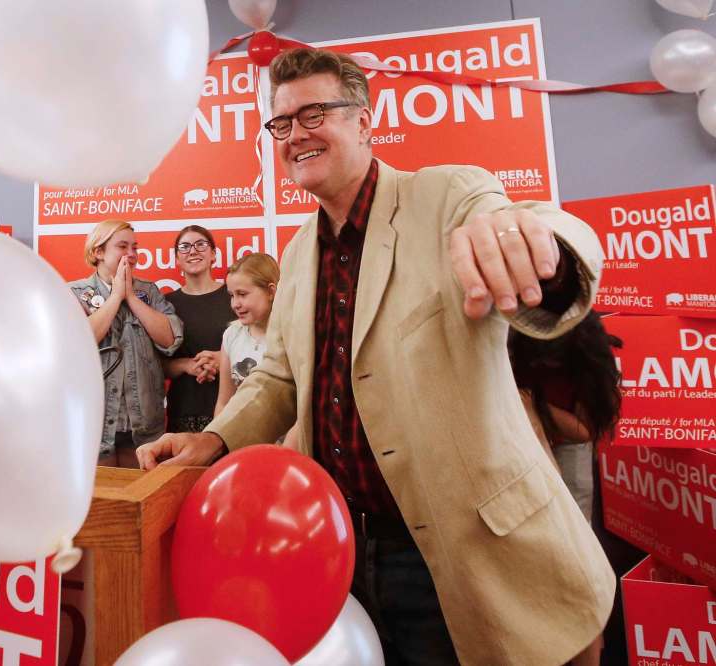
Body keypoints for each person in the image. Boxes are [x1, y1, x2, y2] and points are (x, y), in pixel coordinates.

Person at [137, 47, 614, 666]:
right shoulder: (300, 250)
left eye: (314, 114)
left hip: (465, 557)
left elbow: (522, 224)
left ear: (364, 122)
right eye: (281, 124)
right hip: (342, 560)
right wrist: (215, 440)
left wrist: (533, 246)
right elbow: (280, 376)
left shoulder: (447, 196)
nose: (295, 135)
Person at [510, 311, 623, 666]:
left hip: (567, 441)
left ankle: (588, 642)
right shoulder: (513, 340)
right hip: (519, 441)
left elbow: (586, 431)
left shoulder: (588, 359)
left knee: (576, 555)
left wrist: (534, 405)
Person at [69, 219, 182, 468]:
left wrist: (130, 296)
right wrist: (116, 295)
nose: (132, 254)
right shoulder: (75, 293)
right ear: (98, 251)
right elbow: (78, 342)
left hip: (143, 427)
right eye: (123, 246)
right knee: (103, 504)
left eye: (135, 247)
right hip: (95, 425)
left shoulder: (149, 292)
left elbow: (170, 339)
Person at [163, 225, 235, 433]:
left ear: (213, 255)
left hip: (234, 409)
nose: (193, 251)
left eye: (201, 245)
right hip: (184, 410)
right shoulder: (165, 304)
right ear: (177, 259)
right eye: (184, 247)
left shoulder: (234, 297)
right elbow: (155, 365)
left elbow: (261, 347)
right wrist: (186, 365)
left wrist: (223, 359)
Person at [215, 252, 279, 416]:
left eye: (242, 294)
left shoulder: (292, 335)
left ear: (271, 292)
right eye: (231, 295)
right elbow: (224, 402)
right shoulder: (231, 335)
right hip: (242, 440)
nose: (235, 304)